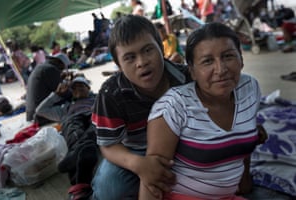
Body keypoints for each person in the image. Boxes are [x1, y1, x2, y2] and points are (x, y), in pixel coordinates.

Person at [139, 22, 264, 200]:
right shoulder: (174, 106)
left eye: (228, 56)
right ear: (192, 71)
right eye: (207, 61)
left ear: (241, 60)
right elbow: (152, 178)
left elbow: (241, 138)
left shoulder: (249, 88)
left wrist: (244, 185)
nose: (221, 70)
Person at [90, 15, 192, 200]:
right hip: (135, 150)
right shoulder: (110, 94)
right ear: (118, 65)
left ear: (161, 48)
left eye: (147, 50)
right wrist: (140, 165)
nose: (142, 62)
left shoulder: (186, 78)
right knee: (110, 190)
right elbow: (108, 145)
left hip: (182, 142)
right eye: (129, 57)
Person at [36, 74, 98, 200]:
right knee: (74, 131)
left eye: (82, 86)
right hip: (73, 119)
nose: (78, 89)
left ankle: (77, 179)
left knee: (95, 128)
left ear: (89, 88)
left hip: (95, 116)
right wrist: (57, 94)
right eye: (74, 88)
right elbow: (40, 110)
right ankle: (83, 153)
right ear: (72, 93)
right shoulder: (65, 107)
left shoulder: (98, 98)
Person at [26, 53, 70, 125]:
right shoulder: (50, 69)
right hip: (40, 115)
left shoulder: (41, 67)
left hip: (32, 113)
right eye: (62, 67)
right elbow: (63, 92)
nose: (62, 70)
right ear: (59, 63)